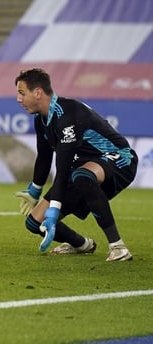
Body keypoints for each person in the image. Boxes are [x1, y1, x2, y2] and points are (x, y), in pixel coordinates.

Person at [13, 68, 137, 262]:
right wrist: (34, 191)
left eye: (22, 93)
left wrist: (54, 209)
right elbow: (44, 157)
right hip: (82, 168)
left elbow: (62, 167)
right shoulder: (41, 120)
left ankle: (118, 247)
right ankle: (82, 244)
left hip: (119, 159)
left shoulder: (68, 115)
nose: (18, 99)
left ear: (37, 92)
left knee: (81, 176)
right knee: (34, 223)